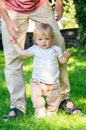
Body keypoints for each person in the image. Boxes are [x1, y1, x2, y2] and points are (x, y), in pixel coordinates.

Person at [0, 0, 82, 120]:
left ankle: (63, 98)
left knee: (59, 43)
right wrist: (7, 20)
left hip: (40, 4)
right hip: (11, 8)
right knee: (12, 55)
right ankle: (17, 106)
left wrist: (59, 3)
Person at [12, 23, 71, 118]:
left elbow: (62, 61)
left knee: (54, 99)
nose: (44, 42)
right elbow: (22, 53)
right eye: (40, 39)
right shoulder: (35, 49)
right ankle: (40, 110)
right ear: (35, 39)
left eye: (47, 39)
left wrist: (66, 57)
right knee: (36, 97)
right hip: (37, 80)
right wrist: (15, 44)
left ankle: (51, 111)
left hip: (52, 82)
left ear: (52, 38)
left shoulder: (56, 49)